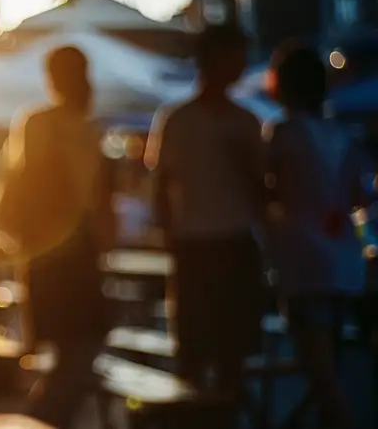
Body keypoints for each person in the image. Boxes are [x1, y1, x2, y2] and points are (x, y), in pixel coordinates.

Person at [144, 24, 264, 419]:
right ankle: (195, 421)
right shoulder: (180, 120)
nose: (242, 64)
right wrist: (169, 236)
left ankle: (219, 420)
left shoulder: (243, 122)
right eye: (236, 55)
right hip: (199, 244)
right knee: (197, 349)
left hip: (227, 243)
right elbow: (161, 187)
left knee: (231, 350)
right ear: (216, 59)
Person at [0, 46, 113, 428]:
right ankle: (38, 421)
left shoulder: (72, 126)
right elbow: (35, 186)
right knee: (77, 353)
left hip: (65, 255)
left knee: (75, 355)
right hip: (60, 257)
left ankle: (41, 419)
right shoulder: (48, 125)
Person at [264, 42, 372, 429]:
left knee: (319, 369)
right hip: (344, 261)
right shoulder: (342, 134)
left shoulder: (283, 133)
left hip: (302, 262)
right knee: (332, 367)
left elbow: (267, 191)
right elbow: (360, 195)